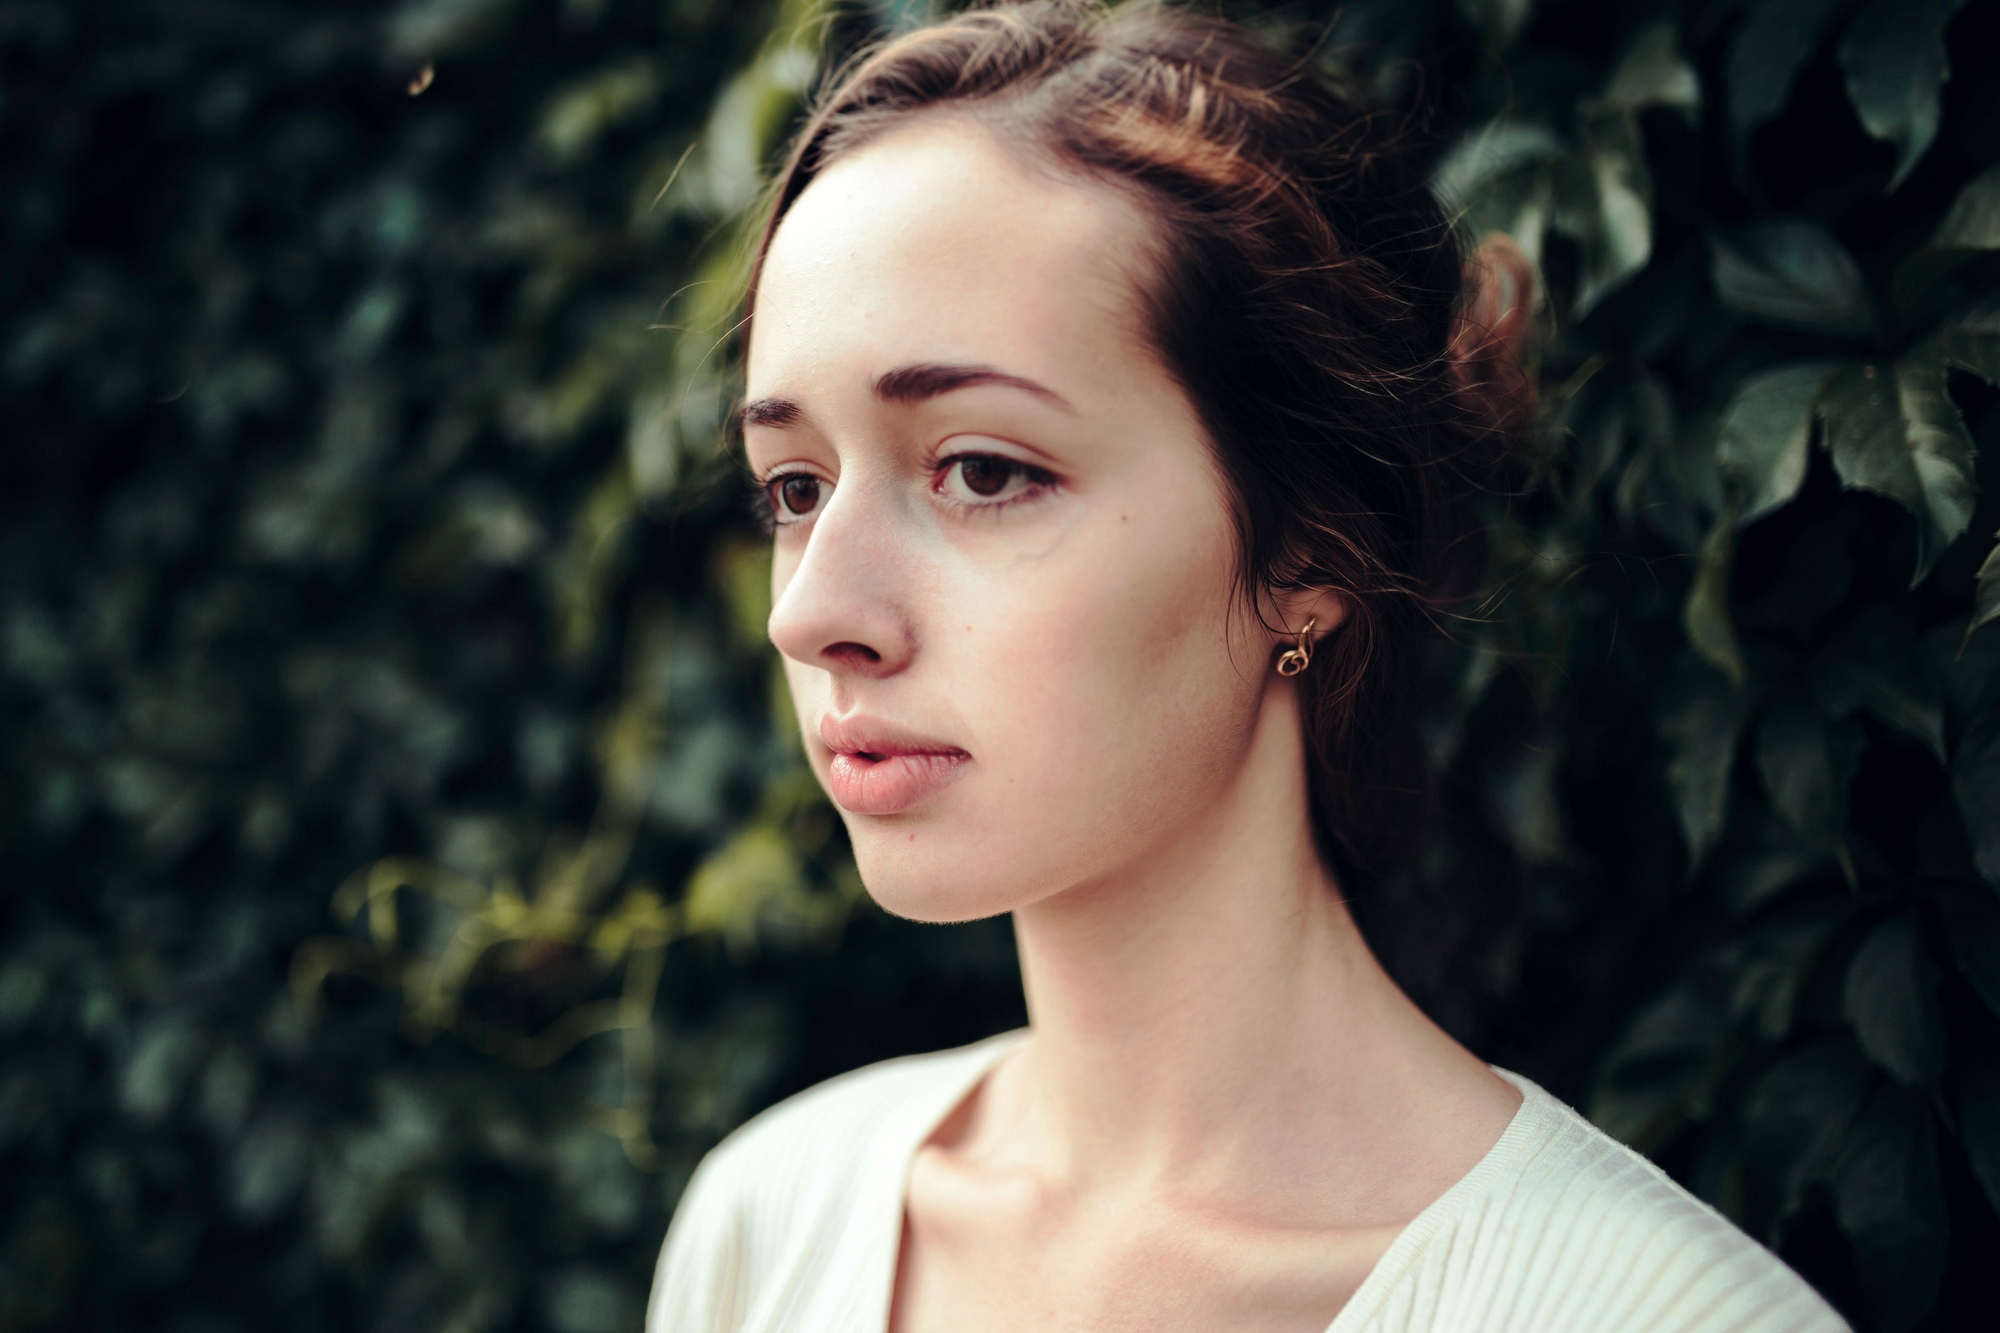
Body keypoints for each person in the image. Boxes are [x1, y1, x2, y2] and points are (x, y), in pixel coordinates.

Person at [647, 3, 1846, 1330]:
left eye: (985, 470)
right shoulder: (767, 1221)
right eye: (795, 486)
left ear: (1308, 551)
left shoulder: (1655, 1314)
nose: (812, 613)